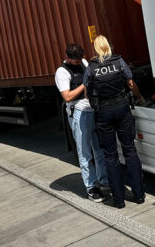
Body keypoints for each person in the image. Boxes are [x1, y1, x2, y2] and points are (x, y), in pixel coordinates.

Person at [83, 35, 145, 209]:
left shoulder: (91, 67)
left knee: (110, 156)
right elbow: (131, 83)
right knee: (130, 150)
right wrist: (140, 98)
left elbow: (87, 94)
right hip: (122, 109)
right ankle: (139, 195)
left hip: (103, 113)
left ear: (95, 49)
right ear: (108, 47)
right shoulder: (119, 61)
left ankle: (119, 200)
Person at [55, 43, 109, 202]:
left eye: (80, 59)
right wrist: (84, 84)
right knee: (84, 151)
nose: (79, 62)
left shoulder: (84, 62)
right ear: (68, 58)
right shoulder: (62, 72)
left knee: (99, 148)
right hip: (78, 113)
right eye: (76, 61)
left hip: (92, 109)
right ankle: (91, 187)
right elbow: (67, 96)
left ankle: (104, 180)